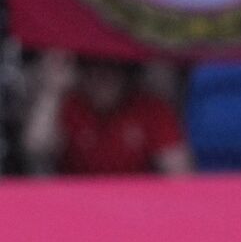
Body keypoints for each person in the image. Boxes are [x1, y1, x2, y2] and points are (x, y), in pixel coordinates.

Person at [22, 51, 193, 176]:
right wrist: (52, 91)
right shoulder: (67, 104)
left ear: (126, 73)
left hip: (136, 207)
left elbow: (179, 173)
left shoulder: (150, 107)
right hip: (74, 206)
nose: (101, 77)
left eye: (110, 69)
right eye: (92, 68)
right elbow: (36, 149)